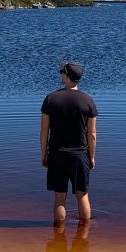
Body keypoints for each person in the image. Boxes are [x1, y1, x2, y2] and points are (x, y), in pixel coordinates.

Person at [40, 60, 97, 224]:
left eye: (62, 73)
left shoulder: (51, 99)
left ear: (66, 76)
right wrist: (91, 157)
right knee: (82, 195)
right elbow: (92, 134)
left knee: (59, 197)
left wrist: (44, 154)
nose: (61, 75)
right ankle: (84, 236)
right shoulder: (87, 101)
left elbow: (44, 131)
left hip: (57, 155)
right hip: (80, 155)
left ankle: (58, 237)